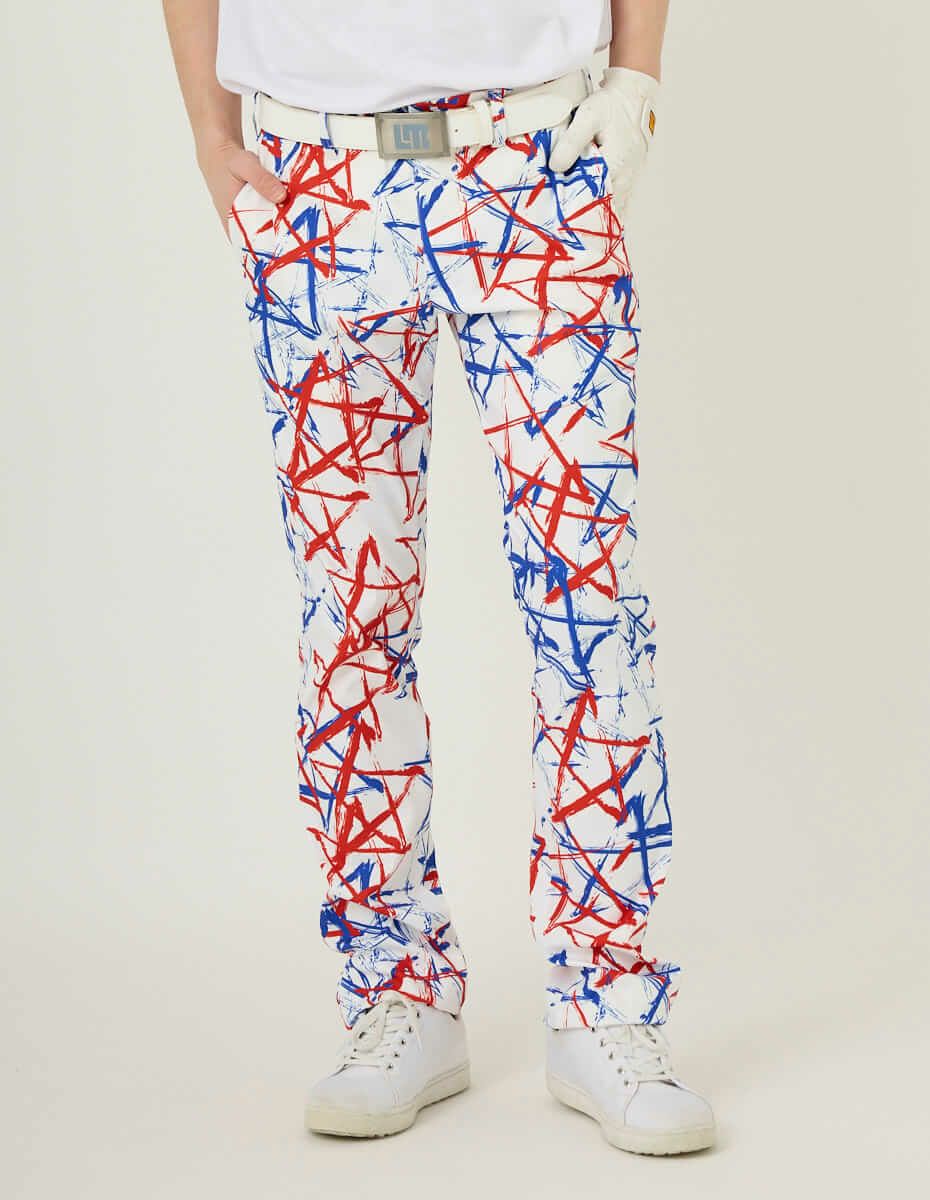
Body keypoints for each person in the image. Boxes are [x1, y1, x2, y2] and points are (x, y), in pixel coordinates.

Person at [163, 0, 715, 1156]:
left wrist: (638, 79)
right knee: (351, 617)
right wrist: (210, 132)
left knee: (587, 606)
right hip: (314, 181)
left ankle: (604, 1002)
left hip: (533, 163)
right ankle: (395, 992)